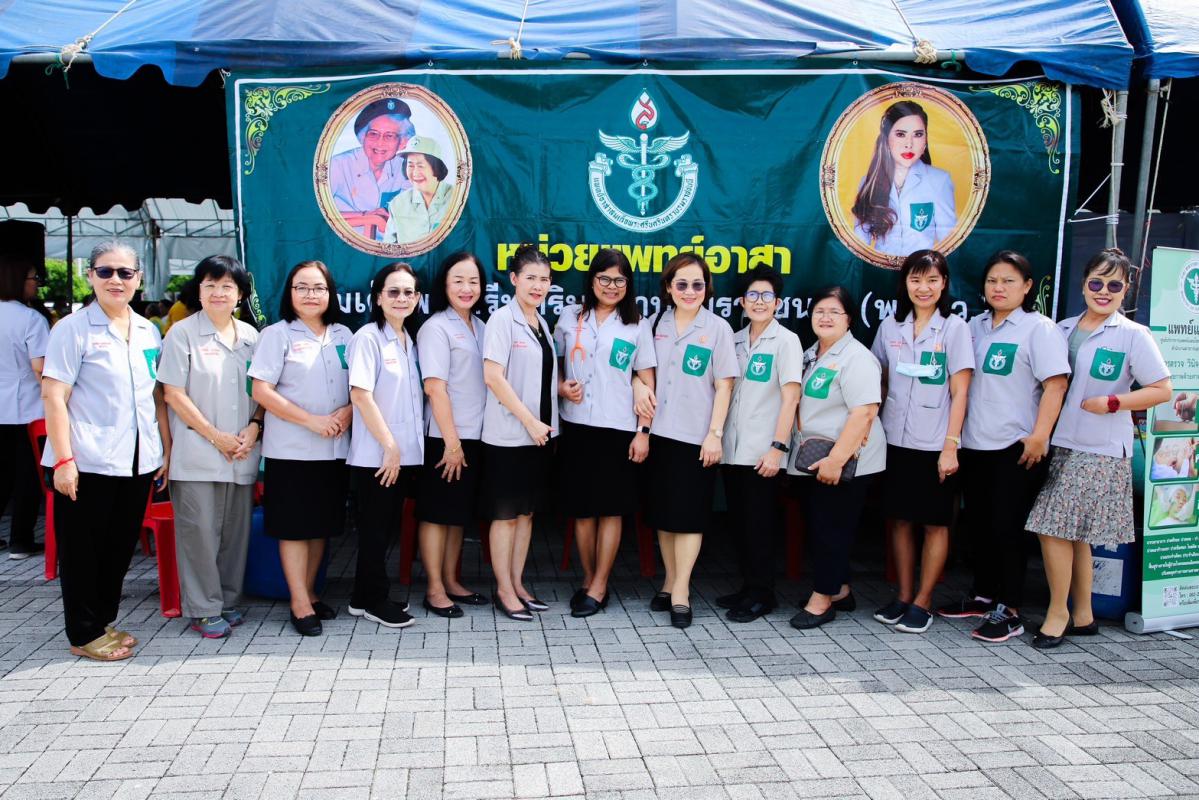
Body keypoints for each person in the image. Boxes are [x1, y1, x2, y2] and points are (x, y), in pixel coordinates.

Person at [1026, 248, 1171, 649]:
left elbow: (1162, 389)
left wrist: (1113, 402)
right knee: (1075, 534)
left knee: (1051, 527)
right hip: (1061, 442)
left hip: (1100, 448)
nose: (1103, 291)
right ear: (1083, 284)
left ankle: (1058, 613)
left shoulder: (1133, 334)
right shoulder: (1062, 328)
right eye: (1096, 282)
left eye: (1114, 285)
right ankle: (1085, 615)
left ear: (1126, 290)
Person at [41, 241, 171, 661]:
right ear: (91, 276)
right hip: (87, 460)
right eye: (105, 271)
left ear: (138, 278)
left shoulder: (148, 330)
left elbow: (154, 396)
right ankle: (83, 633)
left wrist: (162, 451)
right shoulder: (72, 329)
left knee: (117, 548)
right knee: (83, 551)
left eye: (125, 273)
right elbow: (54, 396)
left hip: (137, 459)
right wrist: (64, 460)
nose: (116, 280)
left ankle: (102, 620)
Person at [939, 251, 1069, 643]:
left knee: (1007, 528)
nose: (999, 288)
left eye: (1009, 281)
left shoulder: (1039, 329)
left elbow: (1056, 385)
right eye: (993, 280)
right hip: (974, 444)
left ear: (1027, 286)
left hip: (1015, 448)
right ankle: (982, 595)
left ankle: (1010, 610)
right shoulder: (973, 327)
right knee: (979, 524)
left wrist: (1040, 435)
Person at [157, 256, 262, 639]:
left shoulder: (251, 337)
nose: (219, 293)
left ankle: (228, 600)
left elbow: (263, 391)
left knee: (235, 533)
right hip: (198, 452)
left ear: (240, 295)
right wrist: (216, 436)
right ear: (198, 291)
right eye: (210, 285)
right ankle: (203, 608)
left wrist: (254, 427)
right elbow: (173, 394)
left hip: (241, 451)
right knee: (199, 533)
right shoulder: (181, 334)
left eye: (227, 287)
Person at [870, 249, 973, 634]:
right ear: (905, 284)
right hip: (895, 439)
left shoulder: (955, 329)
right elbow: (879, 378)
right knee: (899, 520)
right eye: (916, 279)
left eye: (931, 280)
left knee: (934, 523)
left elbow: (961, 392)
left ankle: (924, 600)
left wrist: (951, 445)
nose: (923, 287)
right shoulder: (891, 326)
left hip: (935, 443)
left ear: (944, 284)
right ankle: (903, 595)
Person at [249, 261, 352, 637]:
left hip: (334, 449)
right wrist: (311, 421)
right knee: (294, 528)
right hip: (291, 451)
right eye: (302, 287)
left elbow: (360, 385)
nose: (311, 295)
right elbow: (261, 391)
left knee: (319, 526)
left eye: (319, 288)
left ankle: (310, 592)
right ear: (289, 293)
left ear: (330, 293)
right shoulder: (277, 335)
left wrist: (348, 411)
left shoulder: (344, 334)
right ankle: (298, 602)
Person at [554, 249, 656, 618]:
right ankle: (588, 578)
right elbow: (553, 363)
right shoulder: (571, 317)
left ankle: (600, 584)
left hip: (618, 430)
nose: (611, 286)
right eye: (604, 279)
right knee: (583, 510)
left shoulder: (637, 324)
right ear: (592, 280)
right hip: (577, 426)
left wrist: (643, 432)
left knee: (611, 510)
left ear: (628, 285)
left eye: (619, 280)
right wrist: (561, 386)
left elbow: (647, 379)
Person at [638, 253, 737, 629]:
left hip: (697, 439)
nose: (690, 291)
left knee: (690, 518)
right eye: (681, 284)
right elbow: (640, 372)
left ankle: (681, 591)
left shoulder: (718, 328)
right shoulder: (653, 323)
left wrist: (714, 435)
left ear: (707, 288)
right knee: (664, 517)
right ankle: (668, 581)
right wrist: (637, 389)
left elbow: (724, 386)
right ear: (668, 287)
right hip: (659, 436)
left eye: (698, 284)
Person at [788, 286, 886, 630]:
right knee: (821, 525)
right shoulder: (810, 354)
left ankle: (822, 600)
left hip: (846, 461)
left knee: (831, 530)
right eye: (819, 311)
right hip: (815, 457)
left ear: (849, 319)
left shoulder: (857, 357)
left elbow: (865, 412)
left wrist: (837, 460)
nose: (825, 318)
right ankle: (840, 590)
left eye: (834, 312)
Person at [717, 267, 802, 623]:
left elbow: (791, 397)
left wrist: (778, 448)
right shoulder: (734, 340)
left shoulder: (786, 341)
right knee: (739, 522)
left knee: (760, 525)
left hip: (763, 452)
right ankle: (748, 586)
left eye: (767, 296)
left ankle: (762, 594)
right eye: (752, 295)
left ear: (778, 303)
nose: (759, 302)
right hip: (732, 450)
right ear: (742, 301)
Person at [481, 243, 558, 621]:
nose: (538, 286)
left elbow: (537, 377)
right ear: (513, 279)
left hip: (540, 435)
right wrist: (529, 421)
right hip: (510, 436)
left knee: (526, 514)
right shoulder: (502, 320)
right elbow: (493, 377)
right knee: (506, 515)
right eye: (530, 278)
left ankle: (518, 583)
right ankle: (503, 589)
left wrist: (561, 391)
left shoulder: (541, 323)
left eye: (544, 279)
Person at [346, 263, 424, 629]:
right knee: (375, 530)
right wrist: (390, 446)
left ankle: (363, 597)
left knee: (385, 528)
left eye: (408, 292)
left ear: (417, 298)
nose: (401, 298)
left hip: (403, 453)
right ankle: (374, 600)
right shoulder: (368, 338)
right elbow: (360, 395)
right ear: (378, 298)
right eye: (393, 292)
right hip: (377, 455)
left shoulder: (409, 339)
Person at [416, 253, 492, 618]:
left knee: (457, 513)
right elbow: (435, 388)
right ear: (444, 285)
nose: (466, 288)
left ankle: (451, 580)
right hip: (445, 438)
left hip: (476, 436)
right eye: (458, 280)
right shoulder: (436, 327)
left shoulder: (482, 326)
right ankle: (434, 588)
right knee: (437, 514)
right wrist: (451, 443)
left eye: (473, 281)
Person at [852, 101, 957, 258]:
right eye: (901, 134)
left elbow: (949, 242)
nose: (909, 144)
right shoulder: (869, 182)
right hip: (880, 269)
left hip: (921, 270)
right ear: (886, 139)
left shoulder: (939, 180)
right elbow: (859, 245)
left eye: (918, 134)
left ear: (925, 140)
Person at [0, 236, 50, 558]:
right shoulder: (31, 319)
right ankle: (20, 539)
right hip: (27, 408)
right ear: (18, 280)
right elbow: (40, 369)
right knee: (28, 476)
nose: (36, 284)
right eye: (34, 278)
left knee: (1, 475)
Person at [330, 98, 415, 240]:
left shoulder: (406, 167)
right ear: (362, 137)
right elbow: (315, 213)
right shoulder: (337, 165)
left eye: (389, 136)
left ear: (402, 142)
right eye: (373, 134)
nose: (379, 143)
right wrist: (366, 217)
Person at [384, 137, 454, 245]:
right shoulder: (397, 205)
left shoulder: (457, 199)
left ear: (436, 167)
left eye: (421, 166)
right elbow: (389, 247)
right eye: (410, 165)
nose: (415, 172)